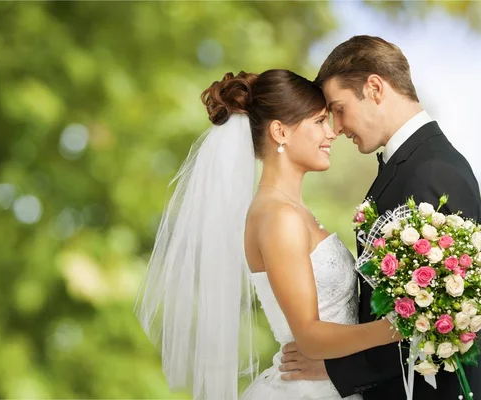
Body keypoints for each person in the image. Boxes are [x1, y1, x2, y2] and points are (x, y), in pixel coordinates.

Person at [135, 68, 403, 400]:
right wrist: (399, 326)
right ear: (280, 132)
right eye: (319, 121)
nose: (332, 132)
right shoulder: (279, 217)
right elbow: (309, 336)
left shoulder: (292, 211)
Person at [279, 35, 481, 400]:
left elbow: (447, 317)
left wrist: (337, 369)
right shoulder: (410, 164)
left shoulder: (433, 171)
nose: (336, 128)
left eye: (339, 108)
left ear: (374, 88)